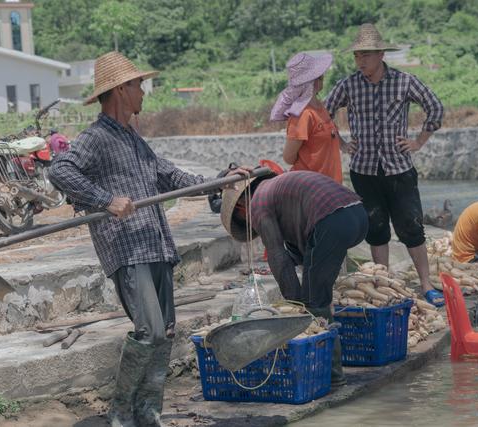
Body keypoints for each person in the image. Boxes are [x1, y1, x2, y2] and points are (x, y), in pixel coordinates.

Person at [49, 51, 247, 427]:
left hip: (156, 244)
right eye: (139, 85)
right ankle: (121, 411)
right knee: (149, 330)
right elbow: (60, 170)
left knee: (166, 332)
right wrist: (105, 200)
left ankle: (148, 411)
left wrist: (223, 177)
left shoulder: (135, 140)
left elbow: (171, 177)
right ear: (121, 89)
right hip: (128, 247)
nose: (144, 92)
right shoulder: (96, 138)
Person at [325, 23, 445, 307]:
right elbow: (323, 113)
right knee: (376, 228)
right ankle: (386, 285)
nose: (360, 61)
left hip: (399, 168)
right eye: (357, 56)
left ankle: (426, 284)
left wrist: (418, 141)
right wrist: (341, 143)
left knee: (411, 226)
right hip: (364, 170)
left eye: (365, 55)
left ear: (380, 54)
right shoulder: (348, 85)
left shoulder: (404, 81)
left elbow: (435, 107)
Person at [220, 170, 369, 387]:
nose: (253, 227)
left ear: (242, 208)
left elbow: (277, 255)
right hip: (358, 215)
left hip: (333, 221)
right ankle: (328, 361)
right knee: (315, 290)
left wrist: (296, 305)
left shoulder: (257, 204)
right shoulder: (275, 189)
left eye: (246, 222)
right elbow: (297, 250)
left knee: (314, 302)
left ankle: (334, 375)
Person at [270, 52, 344, 183]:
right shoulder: (302, 114)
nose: (323, 78)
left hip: (330, 186)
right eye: (320, 76)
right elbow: (289, 157)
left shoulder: (320, 108)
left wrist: (345, 146)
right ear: (312, 81)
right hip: (311, 188)